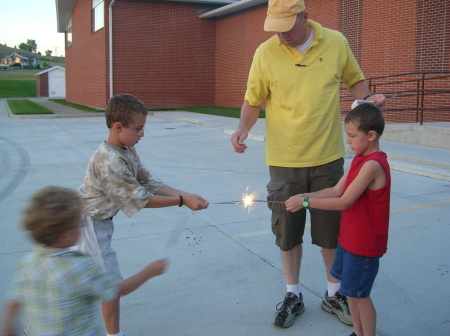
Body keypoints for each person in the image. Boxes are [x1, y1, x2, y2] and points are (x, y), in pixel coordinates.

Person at [230, 0, 386, 329]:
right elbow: (252, 100)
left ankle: (334, 294)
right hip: (284, 161)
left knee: (331, 233)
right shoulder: (264, 53)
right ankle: (293, 295)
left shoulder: (336, 42)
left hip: (328, 156)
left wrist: (367, 103)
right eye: (276, 26)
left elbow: (357, 83)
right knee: (287, 234)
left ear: (305, 16)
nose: (281, 34)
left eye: (288, 25)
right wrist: (243, 127)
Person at [78, 93, 209, 336]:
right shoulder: (110, 161)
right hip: (90, 225)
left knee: (86, 279)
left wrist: (187, 194)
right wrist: (181, 201)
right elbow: (139, 199)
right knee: (110, 286)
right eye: (138, 129)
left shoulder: (125, 149)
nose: (142, 134)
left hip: (99, 221)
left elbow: (147, 181)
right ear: (118, 127)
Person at [1, 186, 168, 336]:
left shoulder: (28, 262)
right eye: (80, 224)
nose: (83, 227)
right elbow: (116, 290)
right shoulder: (80, 267)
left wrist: (8, 328)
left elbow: (14, 301)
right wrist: (149, 271)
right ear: (65, 235)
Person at [285, 103, 391, 336]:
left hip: (363, 245)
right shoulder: (359, 159)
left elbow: (344, 202)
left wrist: (305, 203)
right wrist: (305, 195)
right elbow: (335, 190)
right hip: (349, 240)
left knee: (360, 296)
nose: (349, 141)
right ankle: (358, 332)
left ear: (371, 135)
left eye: (353, 136)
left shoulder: (373, 165)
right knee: (349, 292)